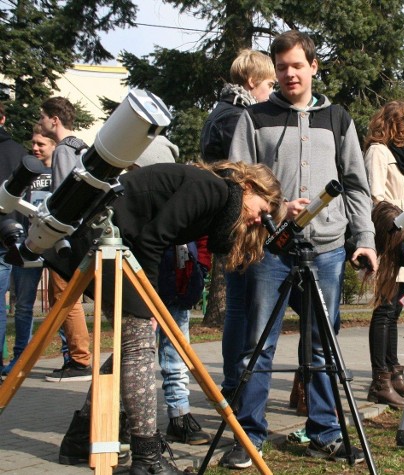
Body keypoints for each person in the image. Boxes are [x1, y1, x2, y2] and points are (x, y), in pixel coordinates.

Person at [59, 160, 284, 474]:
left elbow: (161, 238)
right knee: (139, 348)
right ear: (248, 186)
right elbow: (154, 238)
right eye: (263, 208)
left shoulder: (217, 199)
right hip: (104, 241)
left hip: (116, 244)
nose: (261, 218)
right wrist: (149, 300)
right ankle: (147, 458)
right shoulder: (212, 189)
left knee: (130, 348)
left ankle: (80, 439)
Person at [222, 30, 377, 469]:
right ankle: (249, 437)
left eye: (297, 65)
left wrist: (363, 239)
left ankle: (326, 431)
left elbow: (355, 185)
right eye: (282, 66)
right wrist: (277, 207)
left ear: (313, 67)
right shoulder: (253, 118)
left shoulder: (339, 118)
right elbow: (239, 183)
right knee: (256, 344)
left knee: (322, 345)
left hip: (326, 251)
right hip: (270, 250)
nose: (290, 73)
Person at [199, 49, 276, 398]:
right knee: (241, 307)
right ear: (251, 82)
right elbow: (241, 176)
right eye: (269, 85)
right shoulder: (235, 118)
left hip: (229, 222)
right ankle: (235, 384)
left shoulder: (221, 111)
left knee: (237, 306)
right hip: (238, 224)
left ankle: (234, 382)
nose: (272, 93)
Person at [132, 136, 213, 446]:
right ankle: (129, 419)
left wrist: (200, 270)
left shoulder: (188, 200)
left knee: (176, 357)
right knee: (132, 358)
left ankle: (179, 416)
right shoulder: (139, 205)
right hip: (142, 297)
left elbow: (202, 240)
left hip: (178, 294)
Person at [363, 100, 404, 409]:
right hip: (389, 240)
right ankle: (381, 382)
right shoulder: (378, 152)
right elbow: (375, 198)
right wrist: (395, 229)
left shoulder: (402, 157)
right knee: (385, 310)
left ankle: (393, 371)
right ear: (394, 124)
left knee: (397, 309)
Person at [37, 96, 92, 382]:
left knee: (66, 298)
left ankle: (79, 359)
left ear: (54, 120)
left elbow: (61, 198)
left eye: (43, 116)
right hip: (84, 233)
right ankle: (78, 357)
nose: (41, 122)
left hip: (67, 238)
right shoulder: (81, 146)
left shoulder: (62, 152)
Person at [1, 125, 53, 376]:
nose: (35, 148)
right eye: (33, 143)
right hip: (25, 242)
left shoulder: (60, 171)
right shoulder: (26, 168)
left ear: (53, 145)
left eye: (41, 144)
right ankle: (20, 358)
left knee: (63, 304)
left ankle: (72, 358)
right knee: (22, 305)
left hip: (52, 245)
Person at [0, 101, 26, 381]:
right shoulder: (20, 153)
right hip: (19, 236)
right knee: (23, 306)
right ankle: (19, 358)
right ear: (4, 119)